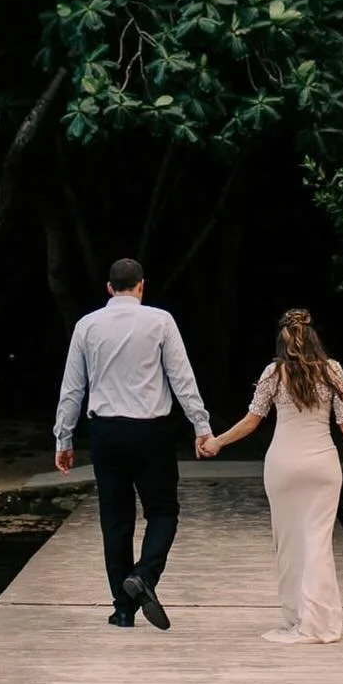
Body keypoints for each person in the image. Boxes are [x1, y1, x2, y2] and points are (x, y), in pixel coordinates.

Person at [53, 256, 213, 630]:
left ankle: (122, 609)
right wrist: (200, 426)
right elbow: (181, 378)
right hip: (151, 431)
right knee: (163, 512)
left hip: (105, 432)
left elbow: (72, 387)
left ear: (109, 288)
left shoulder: (86, 326)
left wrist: (63, 437)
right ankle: (142, 577)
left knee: (116, 520)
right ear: (141, 285)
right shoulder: (160, 321)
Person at [203, 307, 343, 644]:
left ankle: (298, 617)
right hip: (322, 467)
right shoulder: (332, 370)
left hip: (283, 466)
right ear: (313, 337)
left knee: (290, 543)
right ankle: (319, 621)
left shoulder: (273, 373)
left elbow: (252, 421)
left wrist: (217, 442)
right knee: (318, 543)